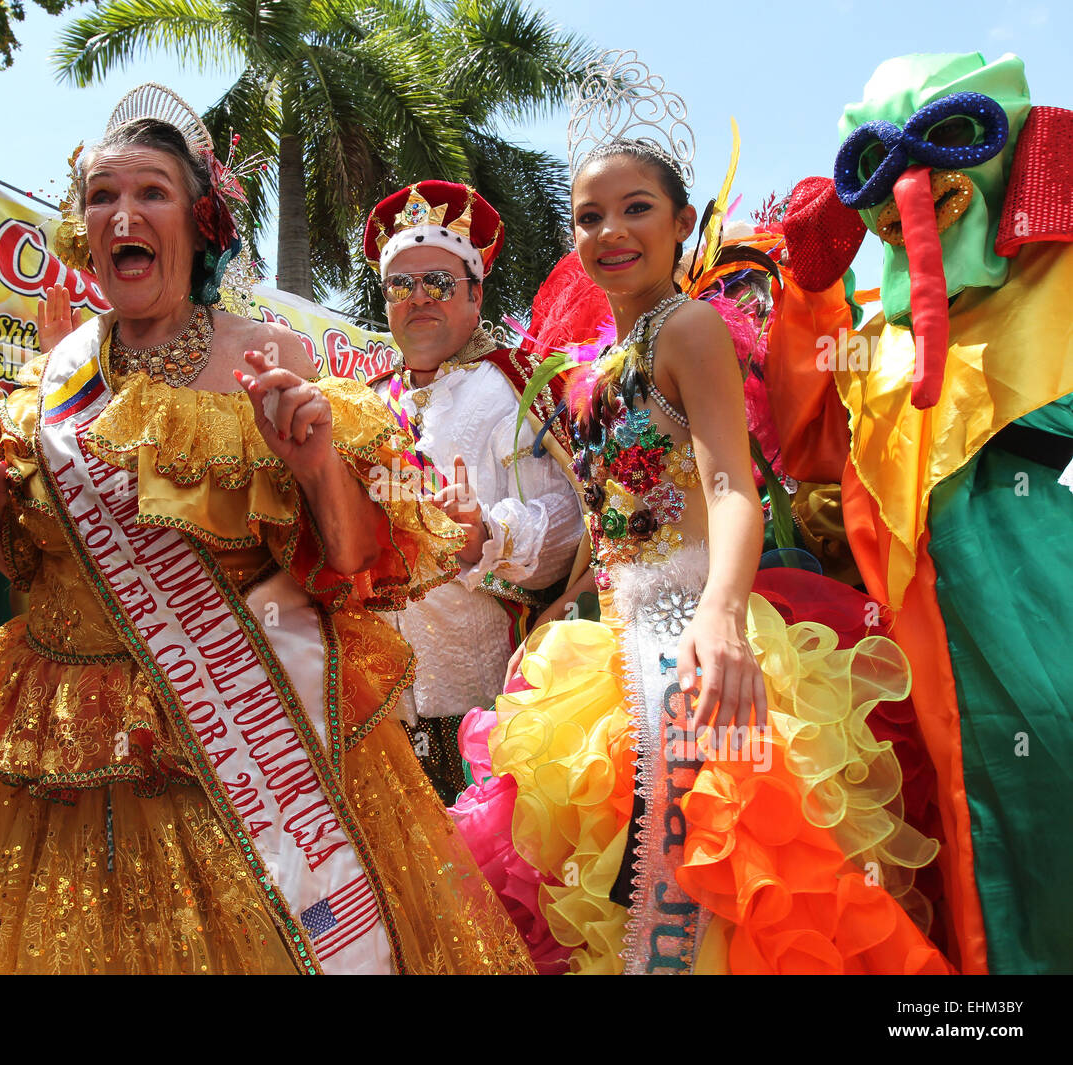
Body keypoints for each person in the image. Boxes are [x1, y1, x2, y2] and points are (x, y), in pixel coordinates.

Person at [0, 84, 534, 975]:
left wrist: (313, 466)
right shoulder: (48, 387)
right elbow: (37, 578)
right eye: (102, 194)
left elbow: (351, 566)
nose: (123, 212)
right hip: (71, 764)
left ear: (198, 222)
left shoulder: (275, 359)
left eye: (150, 191)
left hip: (246, 763)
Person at [451, 54, 948, 975]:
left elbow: (729, 487)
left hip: (691, 638)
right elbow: (614, 525)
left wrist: (719, 616)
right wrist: (563, 611)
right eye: (589, 215)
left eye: (636, 207)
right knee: (619, 887)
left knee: (730, 889)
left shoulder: (689, 328)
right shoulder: (601, 362)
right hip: (613, 650)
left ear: (684, 222)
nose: (611, 230)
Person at [780, 52, 1073, 974]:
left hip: (1045, 597)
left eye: (953, 138)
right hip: (928, 652)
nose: (918, 179)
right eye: (878, 158)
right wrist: (815, 284)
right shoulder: (875, 345)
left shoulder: (1059, 288)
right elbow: (810, 445)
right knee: (967, 835)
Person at [364, 181, 584, 804]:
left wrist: (487, 533)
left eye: (437, 280)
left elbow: (575, 519)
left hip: (483, 704)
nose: (418, 299)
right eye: (400, 285)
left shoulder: (514, 386)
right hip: (378, 705)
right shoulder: (369, 400)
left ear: (476, 292)